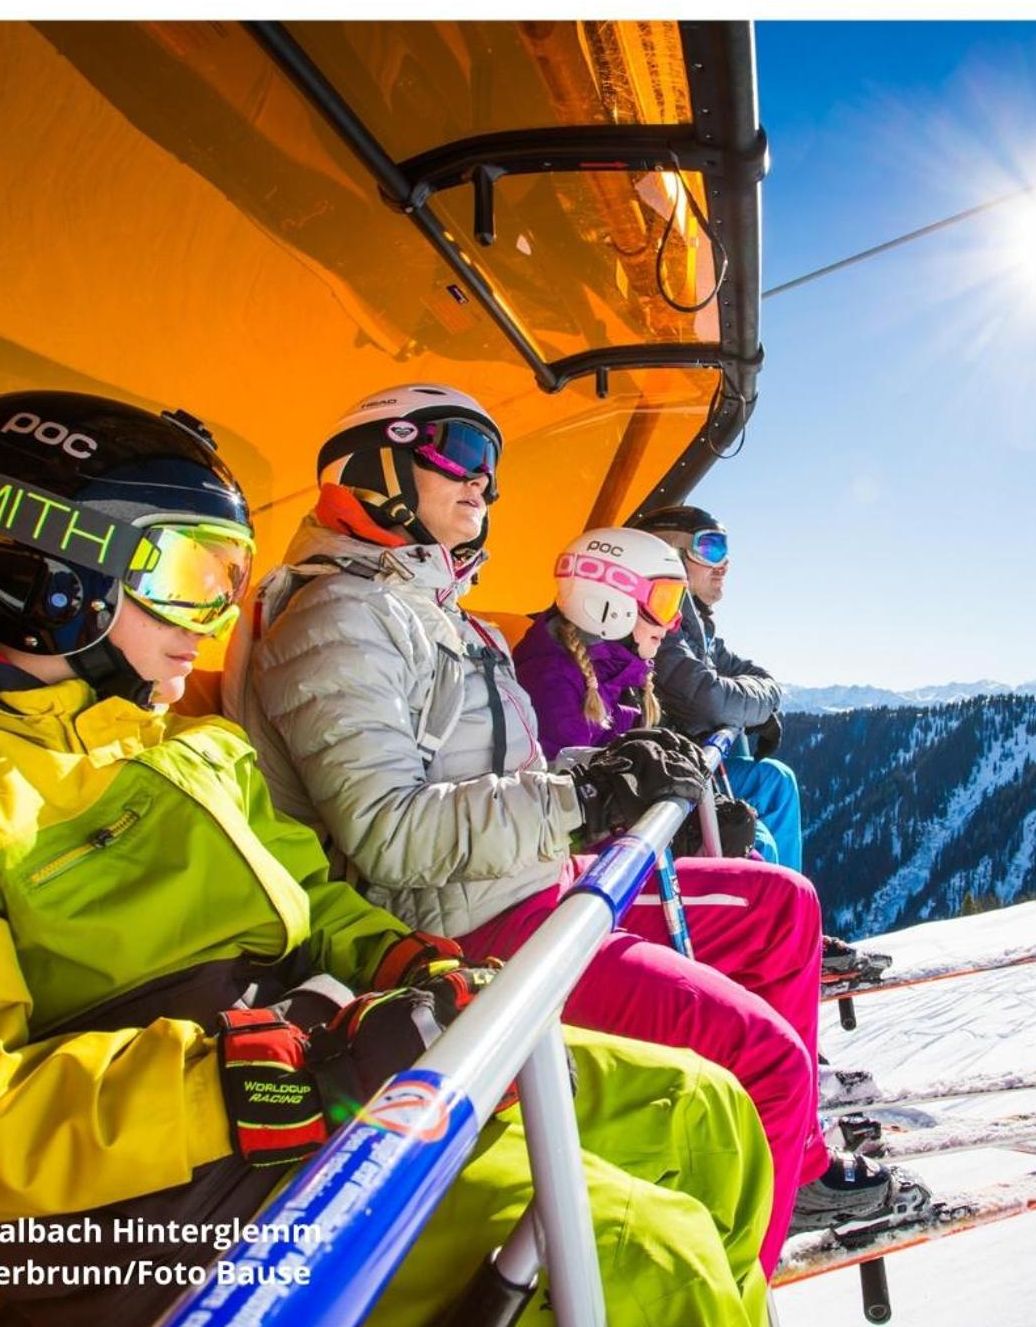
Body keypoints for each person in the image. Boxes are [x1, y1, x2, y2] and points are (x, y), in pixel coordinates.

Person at [0, 391, 776, 1327]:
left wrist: (404, 963)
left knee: (704, 1114)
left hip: (339, 1092)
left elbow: (322, 903)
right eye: (194, 579)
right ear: (47, 570)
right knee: (645, 1259)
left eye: (228, 586)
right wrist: (246, 1079)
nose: (214, 623)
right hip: (192, 1203)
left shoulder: (186, 749)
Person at [224, 385, 919, 1268]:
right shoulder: (337, 619)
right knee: (768, 1060)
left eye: (493, 467)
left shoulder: (425, 607)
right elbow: (390, 836)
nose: (486, 484)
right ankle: (746, 1271)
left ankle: (785, 1158)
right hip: (471, 931)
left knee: (779, 906)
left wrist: (601, 778)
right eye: (462, 453)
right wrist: (586, 799)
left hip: (530, 886)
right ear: (377, 461)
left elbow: (500, 771)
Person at [511, 527, 766, 860]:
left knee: (757, 862)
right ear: (608, 602)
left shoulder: (609, 676)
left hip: (622, 855)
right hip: (593, 879)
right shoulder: (552, 685)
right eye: (664, 602)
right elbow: (566, 821)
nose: (673, 623)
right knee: (781, 889)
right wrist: (682, 840)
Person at [631, 506, 805, 874]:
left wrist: (757, 704)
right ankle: (776, 913)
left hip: (694, 760)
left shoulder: (698, 626)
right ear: (670, 553)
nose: (724, 564)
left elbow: (757, 677)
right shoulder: (659, 621)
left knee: (777, 781)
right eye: (710, 549)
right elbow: (708, 700)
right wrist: (749, 706)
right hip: (668, 774)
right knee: (761, 841)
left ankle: (796, 922)